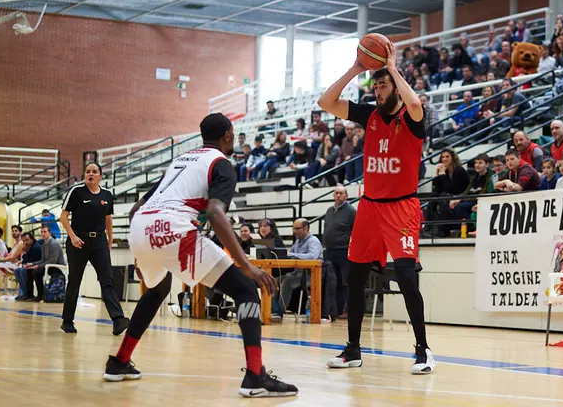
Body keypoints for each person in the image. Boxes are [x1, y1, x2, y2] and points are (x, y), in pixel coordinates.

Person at [104, 113, 297, 397]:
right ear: (228, 136)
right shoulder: (221, 163)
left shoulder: (180, 161)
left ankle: (119, 361)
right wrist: (246, 265)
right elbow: (216, 213)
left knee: (157, 290)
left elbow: (135, 210)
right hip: (173, 227)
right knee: (245, 289)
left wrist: (144, 248)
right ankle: (256, 375)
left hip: (140, 227)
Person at [318, 40, 436, 374]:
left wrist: (393, 69)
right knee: (355, 278)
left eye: (383, 86)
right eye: (375, 86)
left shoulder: (411, 118)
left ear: (395, 87)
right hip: (370, 208)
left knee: (407, 278)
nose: (378, 91)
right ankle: (353, 349)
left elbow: (415, 102)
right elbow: (326, 102)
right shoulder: (369, 114)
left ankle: (423, 350)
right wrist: (356, 69)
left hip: (402, 207)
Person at [59, 162, 129, 335]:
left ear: (100, 176)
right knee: (74, 281)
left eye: (94, 171)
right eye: (88, 171)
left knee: (107, 280)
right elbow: (64, 217)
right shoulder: (76, 192)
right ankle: (67, 321)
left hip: (99, 242)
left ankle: (118, 319)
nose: (90, 174)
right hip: (78, 241)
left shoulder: (107, 195)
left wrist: (109, 240)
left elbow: (108, 219)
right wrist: (73, 237)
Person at [323, 184, 356, 317]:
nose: (338, 195)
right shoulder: (329, 211)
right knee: (332, 281)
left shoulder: (351, 211)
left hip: (343, 251)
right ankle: (333, 309)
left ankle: (347, 309)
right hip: (330, 250)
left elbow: (356, 231)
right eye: (336, 193)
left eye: (341, 193)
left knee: (345, 281)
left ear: (346, 196)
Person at [24, 225, 66, 301]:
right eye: (42, 232)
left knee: (36, 272)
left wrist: (38, 266)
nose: (43, 233)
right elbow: (43, 260)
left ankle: (41, 295)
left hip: (57, 267)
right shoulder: (43, 244)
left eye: (45, 232)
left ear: (49, 233)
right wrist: (32, 264)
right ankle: (29, 295)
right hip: (48, 265)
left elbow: (53, 260)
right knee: (30, 270)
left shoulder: (53, 244)